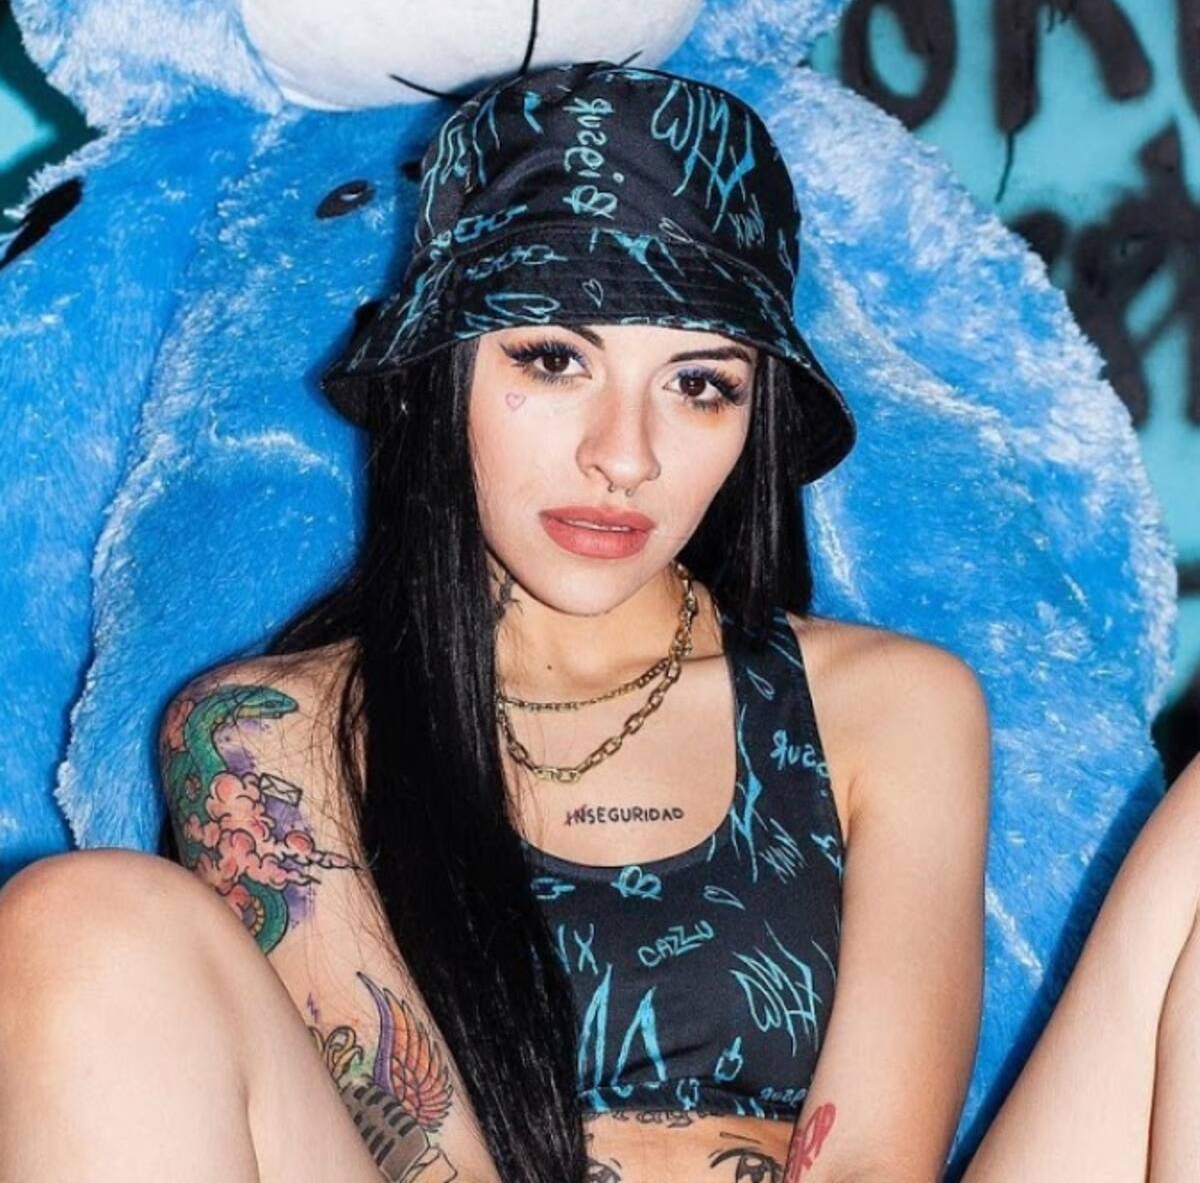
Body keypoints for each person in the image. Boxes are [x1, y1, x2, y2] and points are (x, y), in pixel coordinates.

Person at [0, 61, 993, 1182]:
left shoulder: (889, 705)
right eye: (556, 359)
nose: (625, 456)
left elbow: (872, 1161)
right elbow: (428, 1162)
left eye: (699, 384)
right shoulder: (265, 738)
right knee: (82, 918)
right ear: (442, 373)